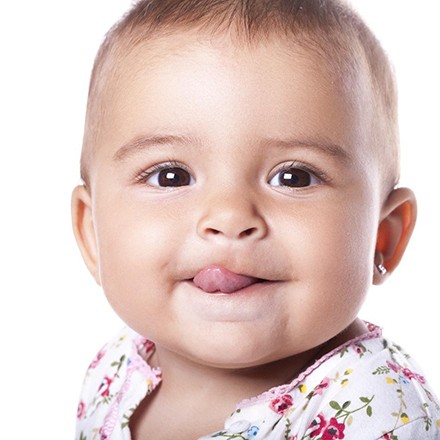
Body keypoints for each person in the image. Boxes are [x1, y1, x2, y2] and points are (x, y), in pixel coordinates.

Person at [71, 0, 440, 438]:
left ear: (383, 237)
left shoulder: (374, 414)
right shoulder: (115, 369)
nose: (229, 217)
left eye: (294, 176)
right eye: (170, 176)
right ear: (93, 235)